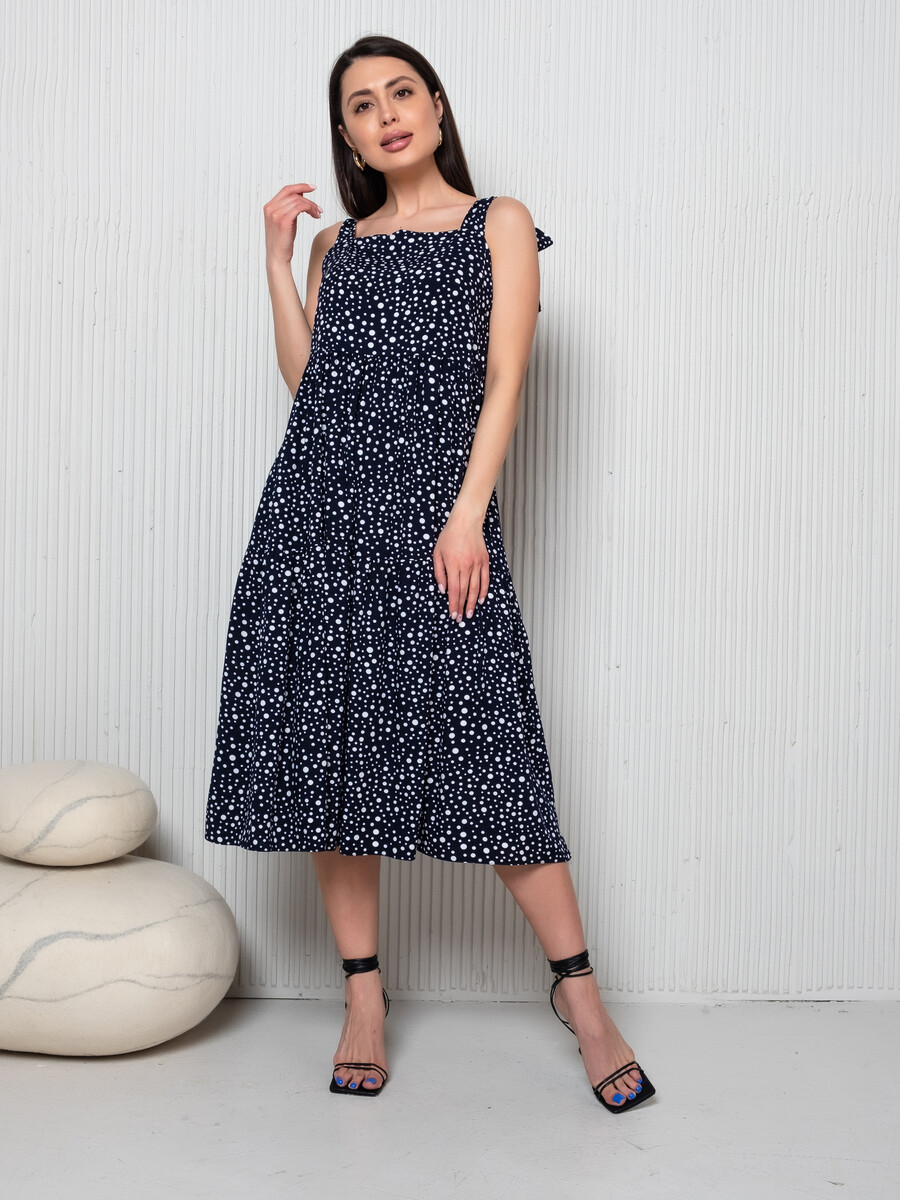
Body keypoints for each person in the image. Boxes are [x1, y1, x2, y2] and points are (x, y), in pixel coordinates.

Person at [204, 33, 655, 1113]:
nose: (387, 115)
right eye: (362, 105)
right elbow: (311, 387)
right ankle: (363, 998)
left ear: (438, 107)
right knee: (330, 762)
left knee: (495, 750)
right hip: (316, 522)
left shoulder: (499, 224)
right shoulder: (339, 246)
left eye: (402, 92)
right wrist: (277, 264)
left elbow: (505, 379)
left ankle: (583, 999)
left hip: (440, 522)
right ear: (349, 135)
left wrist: (465, 516)